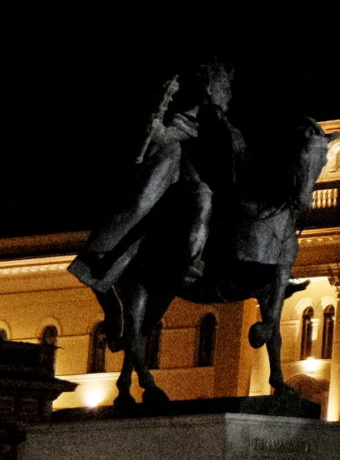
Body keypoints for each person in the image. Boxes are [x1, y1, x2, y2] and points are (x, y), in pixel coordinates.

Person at [68, 61, 242, 292]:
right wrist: (158, 129)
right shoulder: (188, 115)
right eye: (223, 88)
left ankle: (198, 260)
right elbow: (167, 135)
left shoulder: (223, 123)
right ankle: (99, 256)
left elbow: (233, 150)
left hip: (206, 179)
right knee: (144, 200)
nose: (226, 94)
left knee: (208, 206)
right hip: (179, 172)